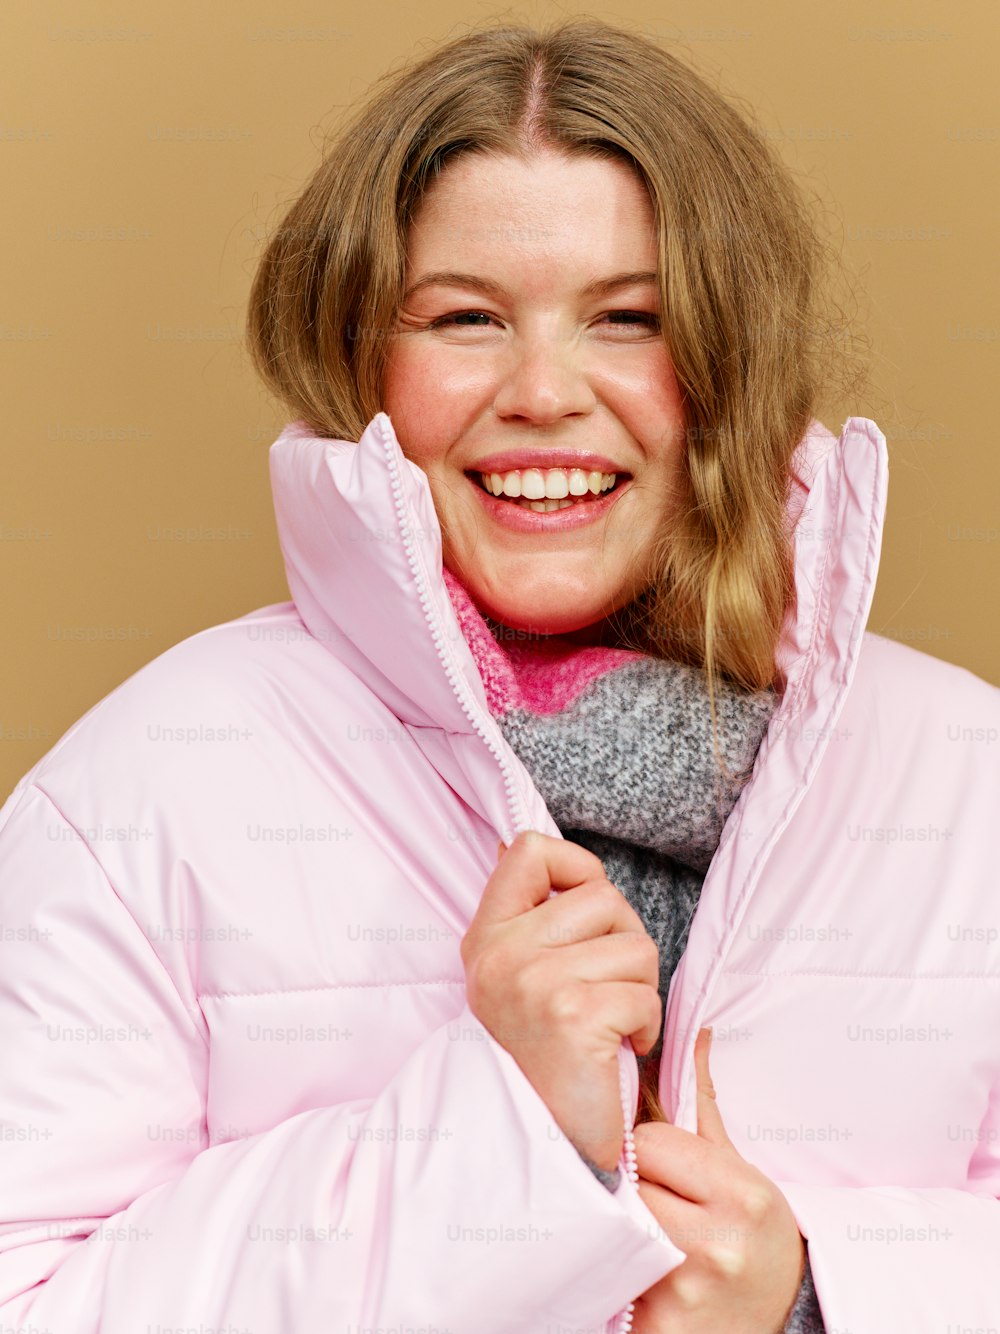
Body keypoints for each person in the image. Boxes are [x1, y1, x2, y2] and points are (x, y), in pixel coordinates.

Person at [1, 16, 998, 1334]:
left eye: (627, 320)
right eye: (466, 317)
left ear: (725, 363)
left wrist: (822, 1292)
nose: (543, 392)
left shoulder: (965, 781)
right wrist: (499, 1139)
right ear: (364, 360)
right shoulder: (145, 790)